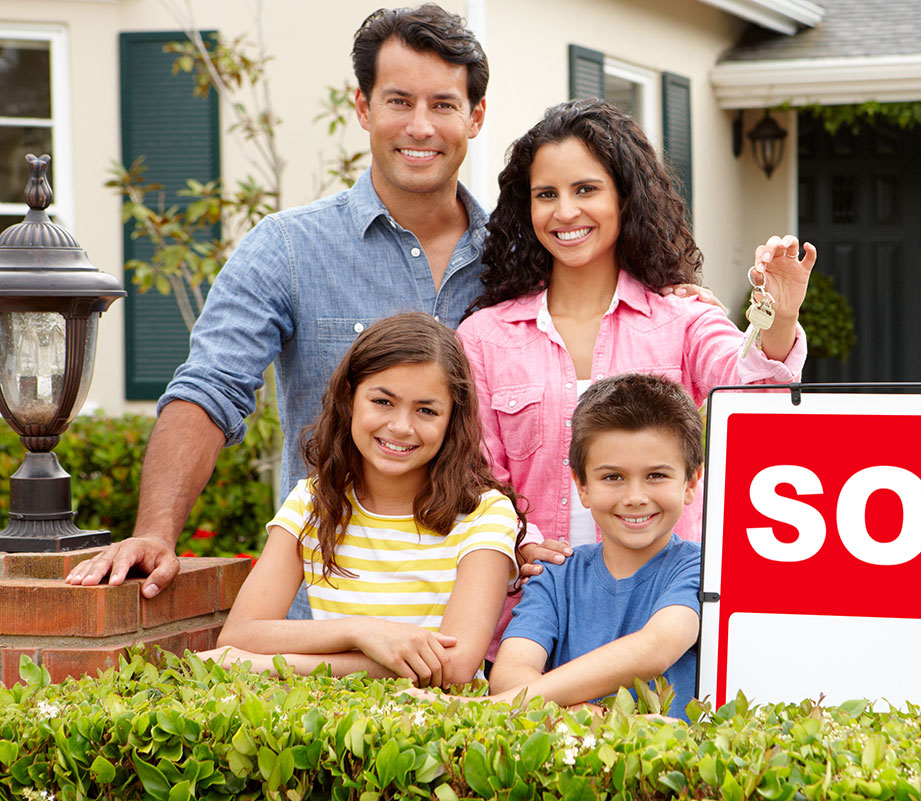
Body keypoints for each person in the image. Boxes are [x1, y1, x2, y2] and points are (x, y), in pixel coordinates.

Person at [65, 6, 714, 596]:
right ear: (363, 107)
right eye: (399, 100)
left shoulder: (524, 259)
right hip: (335, 604)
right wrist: (156, 531)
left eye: (443, 104)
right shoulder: (287, 248)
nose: (420, 126)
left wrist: (669, 296)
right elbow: (208, 391)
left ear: (476, 117)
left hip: (486, 615)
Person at [456, 98, 816, 554]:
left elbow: (755, 395)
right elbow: (477, 479)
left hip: (664, 605)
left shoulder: (682, 319)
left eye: (586, 189)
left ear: (624, 198)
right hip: (533, 603)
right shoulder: (484, 338)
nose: (565, 212)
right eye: (546, 194)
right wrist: (520, 542)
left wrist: (781, 316)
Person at [204, 313, 520, 685]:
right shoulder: (313, 500)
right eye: (383, 402)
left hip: (437, 731)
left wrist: (281, 663)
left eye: (426, 410)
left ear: (453, 418)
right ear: (350, 397)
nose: (401, 426)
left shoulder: (484, 514)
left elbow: (454, 667)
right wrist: (361, 631)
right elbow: (239, 635)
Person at [434, 372, 704, 718]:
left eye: (656, 475)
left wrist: (492, 709)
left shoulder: (700, 568)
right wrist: (578, 716)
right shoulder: (556, 574)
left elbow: (655, 650)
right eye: (613, 477)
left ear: (691, 482)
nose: (635, 497)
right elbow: (509, 673)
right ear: (582, 486)